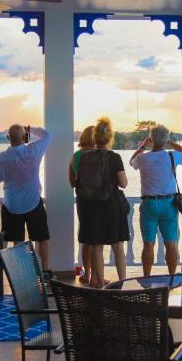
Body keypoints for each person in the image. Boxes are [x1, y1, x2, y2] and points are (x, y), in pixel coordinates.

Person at [74, 117, 129, 287]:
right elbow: (123, 183)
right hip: (111, 205)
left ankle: (98, 281)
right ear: (110, 137)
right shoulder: (115, 157)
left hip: (92, 206)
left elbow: (78, 182)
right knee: (117, 246)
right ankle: (122, 282)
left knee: (97, 245)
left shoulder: (84, 157)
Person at [0, 123, 52, 274]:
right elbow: (47, 136)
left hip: (12, 206)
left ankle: (21, 275)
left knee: (17, 242)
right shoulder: (33, 151)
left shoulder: (2, 158)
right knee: (42, 238)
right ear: (25, 137)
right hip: (33, 203)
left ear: (8, 138)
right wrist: (31, 129)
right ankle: (45, 272)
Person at [130, 124, 182, 276]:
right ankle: (171, 278)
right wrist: (171, 143)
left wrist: (143, 146)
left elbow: (131, 161)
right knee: (171, 243)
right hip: (169, 204)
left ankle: (147, 278)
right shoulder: (172, 155)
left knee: (148, 244)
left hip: (149, 204)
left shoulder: (143, 158)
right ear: (166, 139)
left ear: (151, 139)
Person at [69, 126, 95, 283]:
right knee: (97, 239)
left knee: (86, 238)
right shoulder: (101, 155)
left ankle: (88, 274)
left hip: (84, 201)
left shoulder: (76, 156)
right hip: (101, 201)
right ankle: (97, 276)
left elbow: (72, 182)